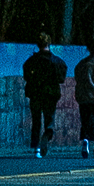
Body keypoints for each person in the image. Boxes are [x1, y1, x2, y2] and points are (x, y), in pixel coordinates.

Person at [22, 32, 66, 160]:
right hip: (50, 94)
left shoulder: (30, 61)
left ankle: (36, 146)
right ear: (49, 43)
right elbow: (61, 79)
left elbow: (26, 76)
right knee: (49, 120)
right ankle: (46, 136)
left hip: (36, 93)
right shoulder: (57, 62)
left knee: (36, 120)